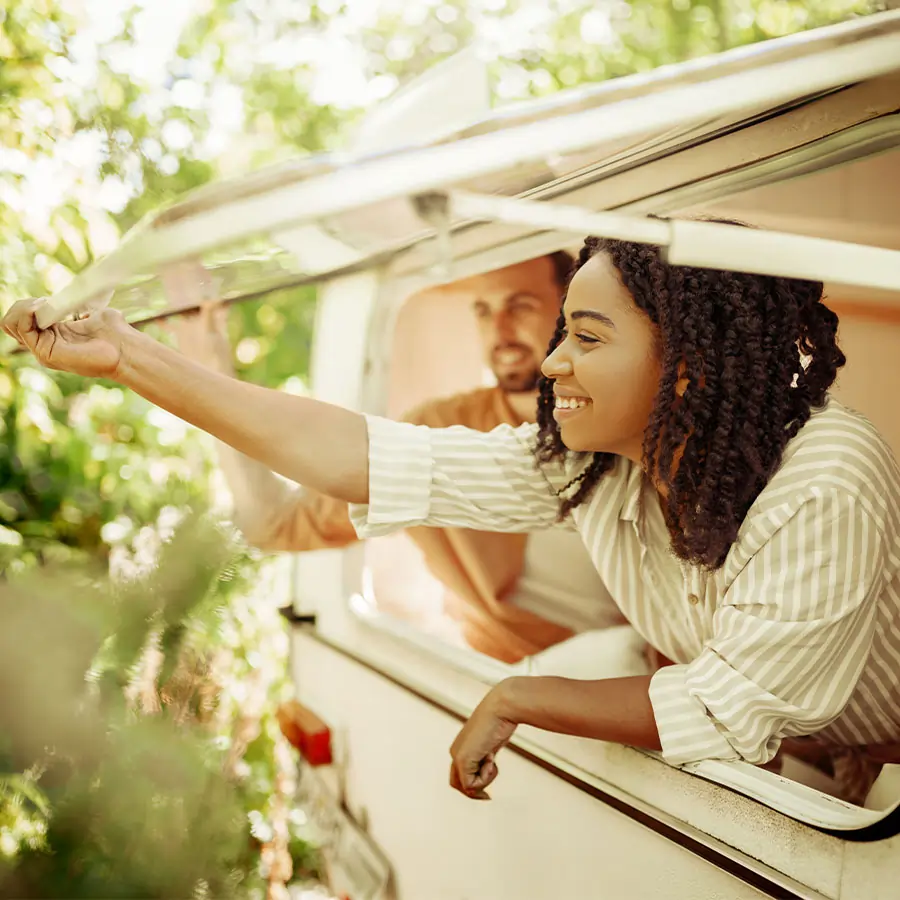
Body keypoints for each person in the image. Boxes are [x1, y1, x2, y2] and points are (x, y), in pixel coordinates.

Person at [6, 222, 899, 807]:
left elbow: (728, 707)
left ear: (691, 366)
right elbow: (350, 454)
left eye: (583, 337)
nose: (552, 362)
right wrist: (129, 358)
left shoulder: (822, 477)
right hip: (814, 752)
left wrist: (518, 695)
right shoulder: (591, 462)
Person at [168, 255, 628, 665]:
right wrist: (207, 367)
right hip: (518, 675)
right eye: (484, 312)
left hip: (653, 678)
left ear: (571, 316)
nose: (500, 331)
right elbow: (276, 523)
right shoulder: (446, 428)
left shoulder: (624, 421)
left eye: (520, 305)